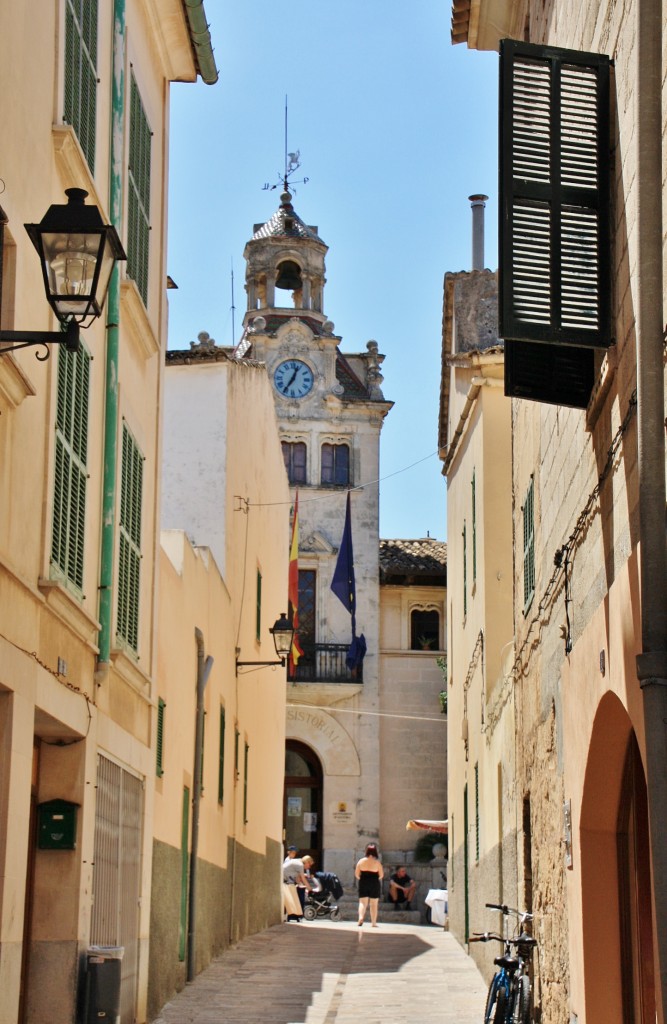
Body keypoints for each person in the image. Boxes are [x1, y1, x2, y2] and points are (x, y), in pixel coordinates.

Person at [355, 842, 384, 928]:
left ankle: (360, 917)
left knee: (363, 902)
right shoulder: (377, 863)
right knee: (374, 904)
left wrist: (362, 879)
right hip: (374, 883)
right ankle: (374, 923)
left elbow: (356, 874)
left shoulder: (361, 861)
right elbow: (381, 875)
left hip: (363, 882)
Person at [283, 845, 311, 920]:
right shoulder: (288, 860)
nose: (294, 854)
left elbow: (297, 875)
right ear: (288, 852)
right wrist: (308, 886)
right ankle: (291, 916)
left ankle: (295, 915)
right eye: (292, 852)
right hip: (287, 882)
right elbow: (299, 875)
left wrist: (299, 883)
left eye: (295, 853)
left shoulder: (294, 861)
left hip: (291, 882)